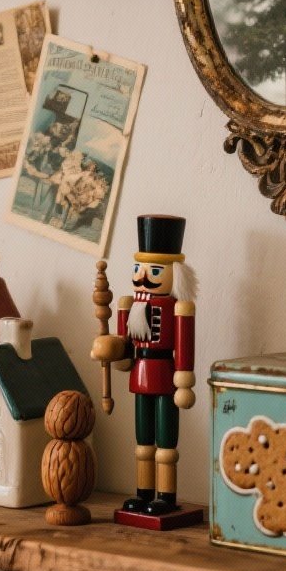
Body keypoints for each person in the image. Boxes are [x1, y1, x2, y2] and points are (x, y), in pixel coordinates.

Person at [92, 214, 195, 517]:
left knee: (165, 441)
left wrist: (184, 381)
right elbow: (125, 349)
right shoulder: (130, 305)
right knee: (142, 440)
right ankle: (143, 493)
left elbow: (184, 346)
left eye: (154, 270)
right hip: (140, 374)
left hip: (165, 375)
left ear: (174, 274)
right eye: (139, 268)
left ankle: (165, 495)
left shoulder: (179, 307)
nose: (143, 277)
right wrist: (109, 351)